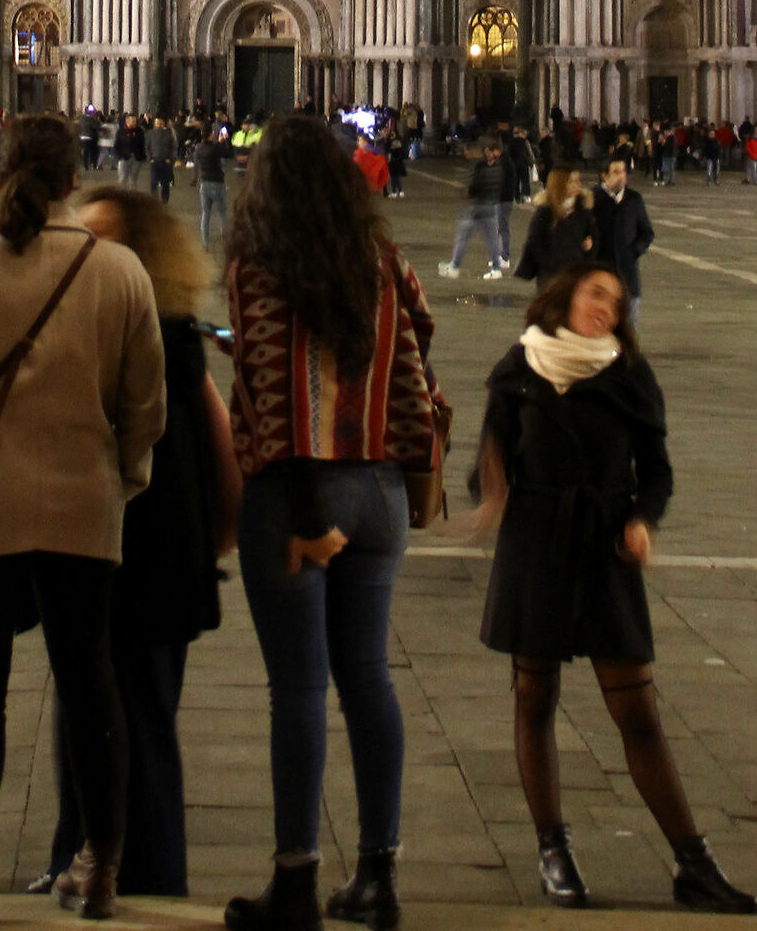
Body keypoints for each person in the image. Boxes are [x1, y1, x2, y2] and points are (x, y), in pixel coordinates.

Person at [0, 115, 167, 928]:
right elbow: (145, 404)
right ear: (71, 179)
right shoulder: (119, 271)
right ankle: (101, 865)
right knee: (91, 690)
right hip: (84, 506)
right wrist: (121, 477)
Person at [466, 266, 757, 915]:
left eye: (616, 302)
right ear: (565, 295)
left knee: (637, 711)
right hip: (536, 543)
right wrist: (488, 488)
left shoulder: (629, 375)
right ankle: (553, 850)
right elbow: (491, 457)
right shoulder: (520, 367)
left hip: (603, 545)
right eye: (596, 293)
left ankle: (693, 861)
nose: (606, 307)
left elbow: (656, 470)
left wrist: (642, 521)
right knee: (534, 697)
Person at [225, 114, 446, 931]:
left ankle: (296, 879)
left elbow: (271, 391)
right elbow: (420, 337)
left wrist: (310, 514)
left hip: (300, 496)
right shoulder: (383, 259)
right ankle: (379, 875)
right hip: (382, 491)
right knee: (369, 679)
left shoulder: (259, 266)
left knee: (300, 691)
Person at [39, 187, 239, 898]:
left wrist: (214, 538)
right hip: (93, 550)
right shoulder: (93, 324)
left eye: (104, 237)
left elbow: (221, 450)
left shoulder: (171, 338)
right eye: (80, 234)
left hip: (151, 554)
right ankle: (77, 857)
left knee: (143, 718)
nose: (87, 249)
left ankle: (154, 876)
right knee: (79, 711)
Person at [439, 136, 510, 279]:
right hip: (491, 205)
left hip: (478, 206)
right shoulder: (498, 168)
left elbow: (476, 186)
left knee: (463, 236)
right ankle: (496, 268)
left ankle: (454, 267)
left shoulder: (480, 167)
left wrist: (467, 192)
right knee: (491, 240)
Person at [592, 154, 655, 313]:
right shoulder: (591, 198)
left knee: (628, 331)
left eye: (624, 171)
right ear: (604, 175)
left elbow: (647, 232)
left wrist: (634, 251)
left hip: (628, 276)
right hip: (600, 275)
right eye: (616, 172)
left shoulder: (634, 199)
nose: (622, 176)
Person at [514, 167, 594, 288]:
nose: (577, 185)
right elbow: (535, 241)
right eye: (571, 181)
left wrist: (589, 246)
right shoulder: (545, 211)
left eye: (578, 180)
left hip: (576, 275)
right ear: (559, 185)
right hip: (550, 277)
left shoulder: (583, 210)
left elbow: (594, 236)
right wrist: (551, 264)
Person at [196, 124, 229, 252]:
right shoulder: (215, 147)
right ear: (211, 134)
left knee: (206, 214)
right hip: (217, 183)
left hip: (204, 184)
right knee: (222, 214)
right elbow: (227, 153)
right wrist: (223, 140)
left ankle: (205, 242)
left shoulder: (198, 148)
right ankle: (226, 243)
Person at [146, 114, 176, 204]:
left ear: (163, 124)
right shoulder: (150, 134)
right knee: (153, 181)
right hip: (154, 160)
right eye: (157, 123)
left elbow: (173, 147)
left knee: (165, 182)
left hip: (166, 161)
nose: (159, 125)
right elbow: (147, 147)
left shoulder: (168, 133)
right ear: (154, 123)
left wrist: (170, 159)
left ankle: (165, 200)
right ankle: (154, 199)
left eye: (160, 123)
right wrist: (150, 158)